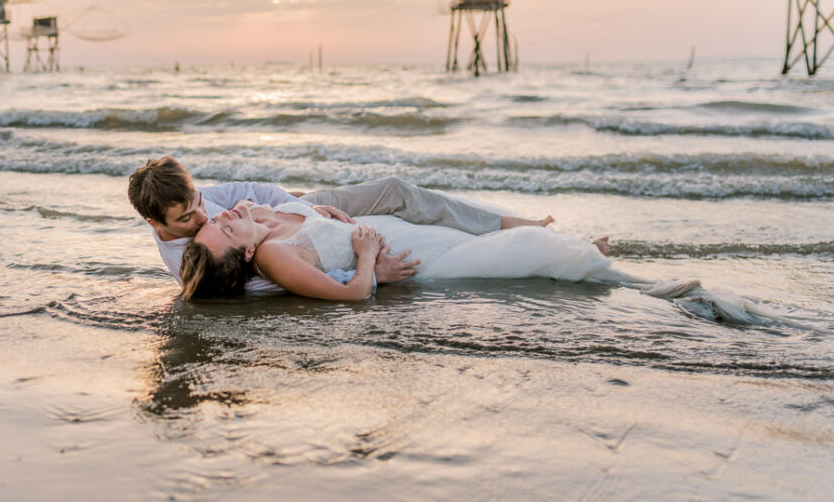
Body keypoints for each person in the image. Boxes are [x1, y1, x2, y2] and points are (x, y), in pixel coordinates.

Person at [180, 200, 791, 328]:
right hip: (421, 259)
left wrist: (322, 215)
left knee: (516, 255)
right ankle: (653, 291)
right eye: (223, 231)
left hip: (414, 237)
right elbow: (352, 297)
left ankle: (606, 269)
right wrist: (365, 259)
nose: (223, 219)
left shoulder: (267, 229)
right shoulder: (280, 258)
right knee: (519, 260)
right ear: (246, 256)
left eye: (215, 221)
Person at [127, 157, 526, 292]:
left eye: (199, 202)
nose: (204, 217)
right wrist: (368, 274)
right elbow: (276, 280)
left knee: (395, 189)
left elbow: (253, 189)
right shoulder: (193, 263)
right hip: (288, 233)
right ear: (154, 222)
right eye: (187, 219)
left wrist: (302, 209)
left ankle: (504, 223)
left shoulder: (196, 203)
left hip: (289, 211)